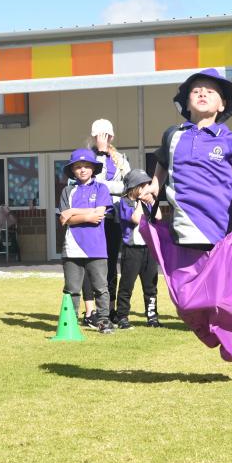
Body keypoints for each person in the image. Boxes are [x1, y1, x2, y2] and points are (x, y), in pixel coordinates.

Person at [143, 68, 232, 248]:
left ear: (222, 105)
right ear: (187, 103)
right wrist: (155, 184)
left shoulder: (230, 139)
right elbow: (163, 161)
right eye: (196, 91)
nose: (202, 93)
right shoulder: (173, 135)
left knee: (219, 277)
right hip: (182, 229)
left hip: (220, 230)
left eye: (210, 91)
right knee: (184, 276)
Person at [81, 118, 131, 328]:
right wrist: (100, 154)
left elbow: (128, 186)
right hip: (93, 216)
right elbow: (94, 184)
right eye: (100, 135)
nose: (104, 139)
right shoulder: (87, 158)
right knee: (90, 263)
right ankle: (90, 310)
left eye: (107, 136)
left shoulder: (120, 159)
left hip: (113, 217)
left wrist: (109, 186)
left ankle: (109, 309)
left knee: (111, 263)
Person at [59, 148, 114, 334]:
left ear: (93, 169)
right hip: (72, 247)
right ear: (72, 170)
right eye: (78, 167)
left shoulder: (101, 188)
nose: (82, 170)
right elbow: (64, 220)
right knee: (71, 289)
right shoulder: (68, 191)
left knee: (101, 287)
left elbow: (99, 215)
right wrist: (86, 215)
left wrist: (73, 211)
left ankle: (104, 321)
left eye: (86, 166)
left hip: (97, 247)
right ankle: (70, 323)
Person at [115, 169, 162, 329]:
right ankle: (122, 317)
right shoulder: (125, 202)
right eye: (143, 185)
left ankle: (152, 317)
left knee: (151, 286)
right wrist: (142, 202)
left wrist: (153, 201)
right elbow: (135, 218)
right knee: (127, 285)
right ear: (134, 187)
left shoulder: (147, 202)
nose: (146, 187)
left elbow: (159, 216)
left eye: (147, 184)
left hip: (148, 249)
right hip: (132, 250)